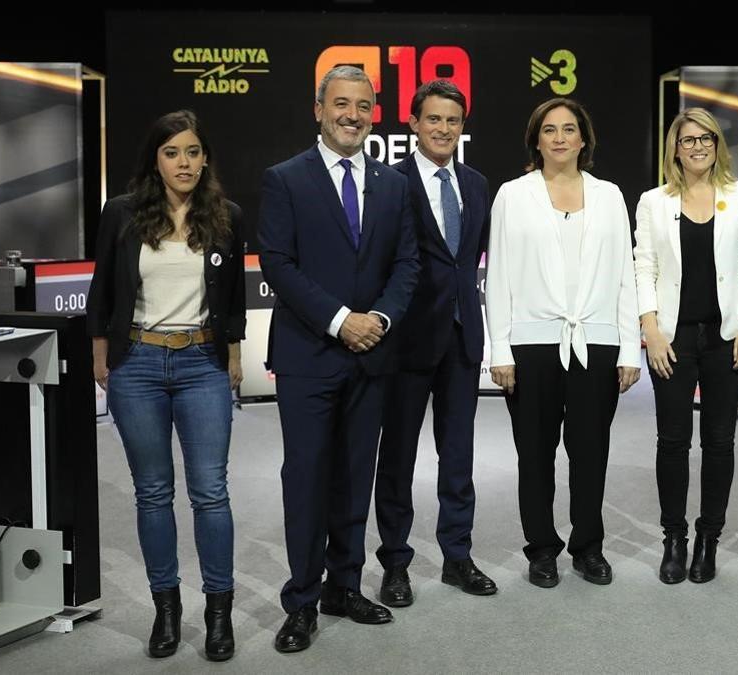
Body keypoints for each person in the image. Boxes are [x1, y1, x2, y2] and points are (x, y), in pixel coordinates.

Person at [259, 65, 419, 653]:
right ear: (319, 109)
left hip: (372, 354)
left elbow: (407, 265)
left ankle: (344, 586)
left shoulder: (393, 184)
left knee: (355, 478)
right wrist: (338, 320)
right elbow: (278, 262)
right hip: (308, 356)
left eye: (364, 105)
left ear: (375, 113)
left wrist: (376, 320)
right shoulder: (284, 179)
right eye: (341, 104)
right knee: (306, 479)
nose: (353, 115)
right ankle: (301, 599)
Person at [86, 109, 244, 661]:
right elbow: (102, 289)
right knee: (153, 493)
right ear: (155, 159)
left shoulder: (225, 216)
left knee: (210, 492)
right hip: (138, 367)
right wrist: (101, 353)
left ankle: (219, 614)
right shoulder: (122, 214)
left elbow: (233, 300)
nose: (185, 162)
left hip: (203, 363)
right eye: (173, 152)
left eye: (194, 152)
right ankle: (167, 613)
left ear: (206, 159)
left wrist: (233, 354)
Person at [484, 97, 641, 589]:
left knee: (590, 451)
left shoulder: (611, 195)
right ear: (536, 139)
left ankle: (588, 546)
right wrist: (500, 349)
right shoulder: (513, 195)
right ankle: (542, 549)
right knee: (535, 453)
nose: (558, 138)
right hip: (531, 345)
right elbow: (500, 276)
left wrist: (629, 347)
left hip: (597, 343)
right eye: (548, 129)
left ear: (582, 139)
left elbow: (624, 275)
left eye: (568, 129)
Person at [374, 79, 496, 606]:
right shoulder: (389, 182)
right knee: (397, 458)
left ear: (461, 127)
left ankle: (457, 557)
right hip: (404, 340)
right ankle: (395, 562)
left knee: (459, 456)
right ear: (414, 124)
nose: (444, 129)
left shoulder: (477, 184)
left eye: (453, 120)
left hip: (463, 337)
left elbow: (474, 258)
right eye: (434, 119)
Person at [633, 107, 738, 584]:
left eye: (706, 138)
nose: (698, 146)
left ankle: (710, 538)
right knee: (672, 441)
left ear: (717, 144)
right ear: (675, 147)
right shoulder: (653, 201)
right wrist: (649, 327)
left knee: (719, 442)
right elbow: (643, 267)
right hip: (672, 337)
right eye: (688, 139)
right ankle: (674, 538)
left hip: (726, 338)